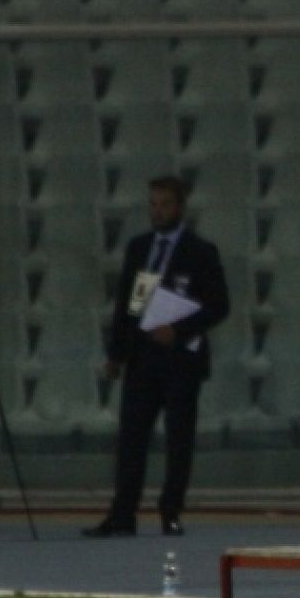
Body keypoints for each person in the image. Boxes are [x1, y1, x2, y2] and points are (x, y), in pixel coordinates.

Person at [86, 175, 230, 539]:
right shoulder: (141, 249)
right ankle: (123, 513)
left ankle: (171, 510)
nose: (157, 211)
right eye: (153, 204)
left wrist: (178, 330)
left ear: (179, 207)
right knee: (131, 437)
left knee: (178, 439)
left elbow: (219, 305)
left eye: (164, 204)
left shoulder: (200, 251)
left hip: (181, 360)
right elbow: (130, 303)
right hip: (143, 357)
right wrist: (117, 353)